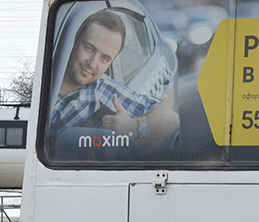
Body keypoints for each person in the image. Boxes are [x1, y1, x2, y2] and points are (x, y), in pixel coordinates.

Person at [49, 9, 179, 143]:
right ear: (74, 42)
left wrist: (134, 127)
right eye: (89, 48)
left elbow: (171, 120)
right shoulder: (42, 73)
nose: (92, 64)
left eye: (104, 58)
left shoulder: (104, 90)